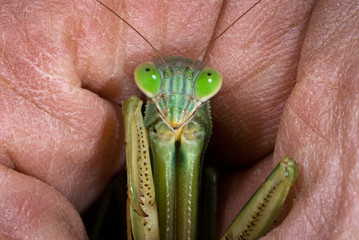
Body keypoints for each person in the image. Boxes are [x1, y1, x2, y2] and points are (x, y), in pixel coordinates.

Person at [0, 0, 357, 239]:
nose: (175, 110)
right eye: (152, 81)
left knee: (287, 170)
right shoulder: (135, 116)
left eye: (204, 85)